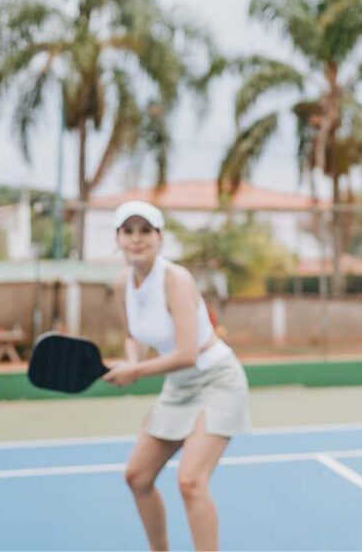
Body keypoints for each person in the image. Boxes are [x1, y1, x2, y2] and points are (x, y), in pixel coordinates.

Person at [103, 200, 251, 551]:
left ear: (160, 238)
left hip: (217, 379)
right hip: (179, 386)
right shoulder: (122, 283)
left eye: (145, 231)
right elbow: (134, 337)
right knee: (137, 477)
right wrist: (129, 364)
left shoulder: (176, 280)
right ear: (118, 239)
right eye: (128, 231)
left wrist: (135, 370)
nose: (136, 239)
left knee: (191, 482)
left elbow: (186, 353)